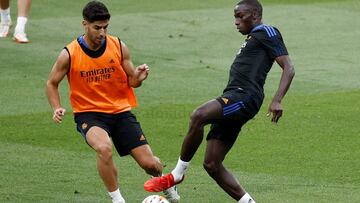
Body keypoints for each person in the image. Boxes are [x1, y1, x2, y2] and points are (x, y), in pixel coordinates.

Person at [143, 0, 295, 202]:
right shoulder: (253, 38)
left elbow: (289, 67)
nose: (236, 21)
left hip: (244, 96)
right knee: (212, 164)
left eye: (241, 16)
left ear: (256, 15)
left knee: (199, 115)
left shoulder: (267, 31)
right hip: (235, 96)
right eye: (235, 16)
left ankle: (177, 173)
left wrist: (277, 100)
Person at [45, 1, 179, 203]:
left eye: (105, 27)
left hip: (120, 112)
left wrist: (139, 78)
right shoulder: (70, 53)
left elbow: (132, 81)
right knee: (104, 148)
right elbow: (51, 83)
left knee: (150, 164)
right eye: (97, 27)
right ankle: (117, 199)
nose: (102, 32)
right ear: (85, 24)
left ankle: (164, 181)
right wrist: (56, 107)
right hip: (89, 114)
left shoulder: (118, 46)